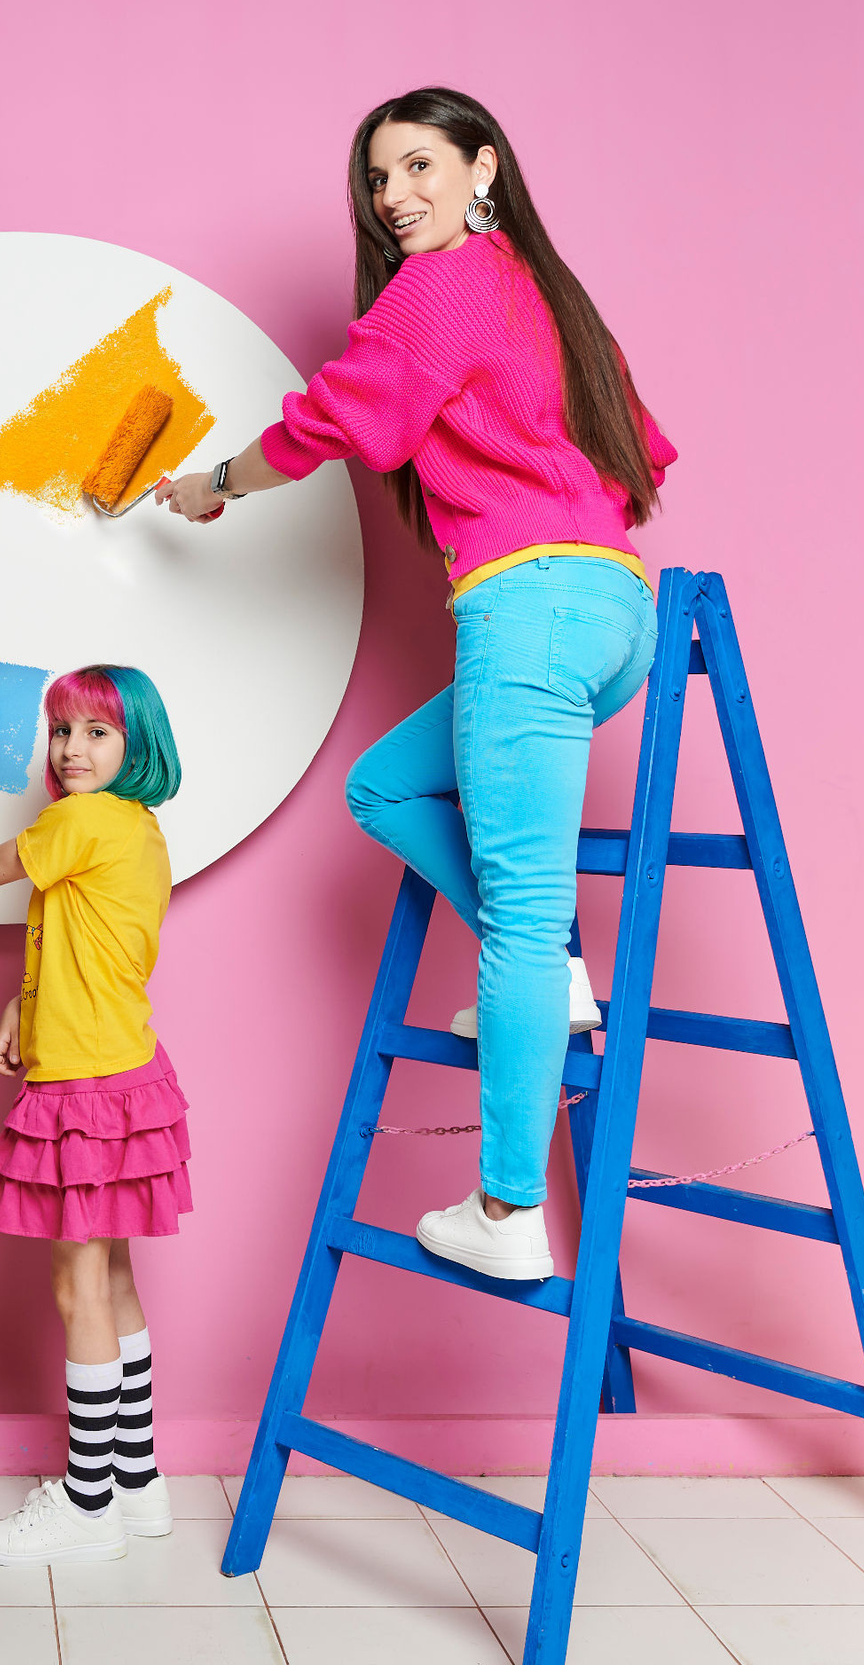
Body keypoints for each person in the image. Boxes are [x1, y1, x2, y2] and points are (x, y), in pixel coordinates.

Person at [161, 87, 673, 1282]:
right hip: (615, 613)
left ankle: (507, 1209)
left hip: (526, 612)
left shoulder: (437, 286)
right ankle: (542, 968)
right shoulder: (548, 293)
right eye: (378, 180)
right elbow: (637, 445)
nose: (394, 196)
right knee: (386, 786)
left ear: (482, 167)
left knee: (525, 914)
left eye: (418, 166)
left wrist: (215, 483)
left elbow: (334, 421)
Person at [0, 666, 191, 1564]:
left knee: (78, 1288)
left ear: (137, 743)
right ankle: (138, 1482)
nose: (73, 748)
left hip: (84, 1088)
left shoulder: (75, 821)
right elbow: (87, 944)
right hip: (128, 1072)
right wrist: (21, 1005)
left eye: (97, 732)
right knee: (112, 1279)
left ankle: (87, 1505)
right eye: (63, 729)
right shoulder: (136, 827)